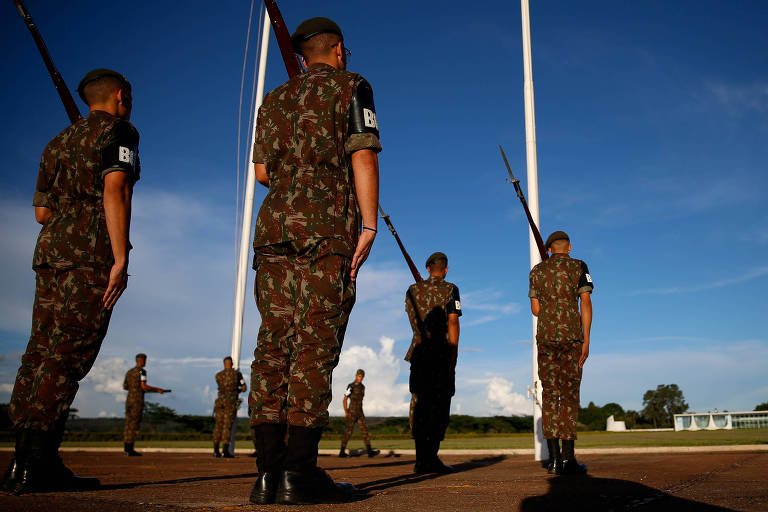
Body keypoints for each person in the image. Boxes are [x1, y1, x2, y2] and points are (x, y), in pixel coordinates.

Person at [247, 16, 381, 506]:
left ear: (302, 57)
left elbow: (263, 172)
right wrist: (368, 224)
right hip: (326, 230)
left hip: (275, 228)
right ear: (339, 50)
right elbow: (362, 154)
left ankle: (267, 474)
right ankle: (299, 473)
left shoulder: (274, 100)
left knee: (273, 344)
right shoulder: (352, 86)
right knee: (314, 344)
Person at [0, 69, 139, 495]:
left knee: (40, 350)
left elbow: (41, 213)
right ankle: (36, 462)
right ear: (120, 96)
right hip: (88, 252)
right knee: (69, 353)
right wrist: (119, 256)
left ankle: (26, 457)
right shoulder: (121, 131)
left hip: (51, 250)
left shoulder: (56, 142)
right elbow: (115, 187)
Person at [529, 231, 593, 475]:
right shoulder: (579, 266)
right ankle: (569, 459)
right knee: (569, 396)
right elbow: (585, 302)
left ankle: (554, 460)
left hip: (546, 338)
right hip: (572, 338)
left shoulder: (537, 271)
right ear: (569, 247)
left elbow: (536, 310)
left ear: (549, 249)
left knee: (550, 395)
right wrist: (586, 340)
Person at [405, 252, 461, 474]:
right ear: (445, 270)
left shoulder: (412, 290)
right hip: (440, 354)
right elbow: (453, 321)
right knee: (439, 404)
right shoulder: (450, 289)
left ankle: (421, 459)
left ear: (428, 268)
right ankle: (431, 457)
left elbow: (413, 318)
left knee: (419, 404)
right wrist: (453, 354)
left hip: (419, 353)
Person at [123, 353, 169, 456]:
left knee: (128, 424)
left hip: (129, 400)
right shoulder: (142, 371)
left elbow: (125, 387)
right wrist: (157, 389)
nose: (145, 362)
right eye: (144, 360)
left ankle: (126, 448)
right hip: (137, 401)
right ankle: (130, 449)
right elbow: (143, 386)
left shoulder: (129, 372)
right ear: (141, 360)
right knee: (134, 424)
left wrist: (134, 390)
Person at [338, 369, 379, 458]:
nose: (360, 378)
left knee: (365, 432)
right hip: (351, 412)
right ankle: (341, 452)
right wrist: (346, 411)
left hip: (360, 413)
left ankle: (369, 451)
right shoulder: (350, 386)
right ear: (356, 376)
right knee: (348, 432)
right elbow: (345, 399)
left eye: (362, 377)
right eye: (359, 376)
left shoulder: (363, 387)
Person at [213, 356, 247, 458]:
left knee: (218, 426)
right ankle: (225, 450)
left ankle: (215, 450)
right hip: (230, 403)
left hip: (220, 402)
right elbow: (244, 388)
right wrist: (237, 391)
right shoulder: (237, 374)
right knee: (227, 426)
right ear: (231, 363)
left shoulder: (218, 375)